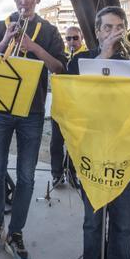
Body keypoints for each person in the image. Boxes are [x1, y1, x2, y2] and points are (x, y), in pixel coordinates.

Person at [0, 0, 66, 259]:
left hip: (32, 111)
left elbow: (60, 68)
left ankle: (16, 232)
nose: (24, 2)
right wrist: (6, 41)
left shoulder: (49, 31)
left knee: (27, 177)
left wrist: (34, 48)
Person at [67, 6, 130, 259]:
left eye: (119, 27)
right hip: (91, 151)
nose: (114, 32)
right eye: (108, 27)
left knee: (123, 225)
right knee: (93, 222)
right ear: (97, 31)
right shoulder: (82, 60)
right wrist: (104, 54)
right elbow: (74, 95)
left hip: (127, 152)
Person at [50, 26, 88, 186]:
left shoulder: (87, 56)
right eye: (68, 38)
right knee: (56, 142)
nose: (72, 41)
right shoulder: (61, 56)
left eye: (75, 38)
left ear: (82, 38)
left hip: (79, 107)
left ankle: (72, 172)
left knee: (76, 143)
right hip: (60, 105)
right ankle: (57, 174)